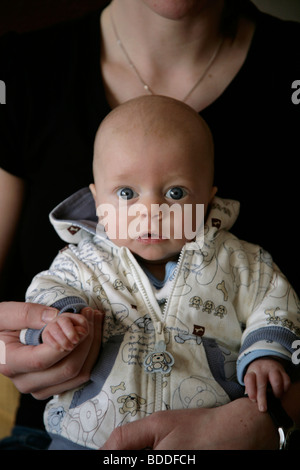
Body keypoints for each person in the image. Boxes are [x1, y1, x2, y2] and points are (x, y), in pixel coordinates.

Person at [0, 0, 299, 450]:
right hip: (75, 438)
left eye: (176, 194)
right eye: (125, 195)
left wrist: (269, 364)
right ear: (96, 202)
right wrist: (53, 324)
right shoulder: (81, 261)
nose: (151, 211)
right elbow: (49, 290)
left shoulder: (242, 262)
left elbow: (273, 304)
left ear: (209, 200)